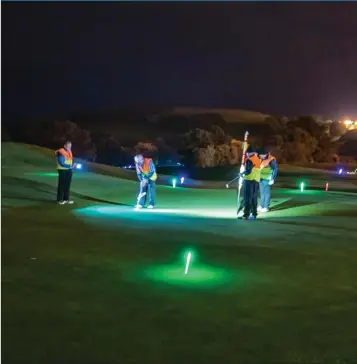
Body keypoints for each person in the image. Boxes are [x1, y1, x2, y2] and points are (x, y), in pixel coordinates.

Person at [238, 146, 261, 220]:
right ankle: (254, 214)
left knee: (247, 198)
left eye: (247, 153)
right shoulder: (257, 159)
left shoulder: (249, 160)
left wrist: (242, 173)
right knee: (254, 198)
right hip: (256, 180)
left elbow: (248, 171)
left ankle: (246, 214)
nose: (246, 154)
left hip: (249, 181)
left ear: (250, 153)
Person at [258, 147, 278, 213]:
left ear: (266, 154)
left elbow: (275, 169)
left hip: (267, 179)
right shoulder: (261, 159)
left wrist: (273, 179)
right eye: (260, 155)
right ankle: (261, 205)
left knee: (266, 193)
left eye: (261, 155)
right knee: (262, 192)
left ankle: (266, 207)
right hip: (261, 178)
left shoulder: (271, 160)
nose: (260, 156)